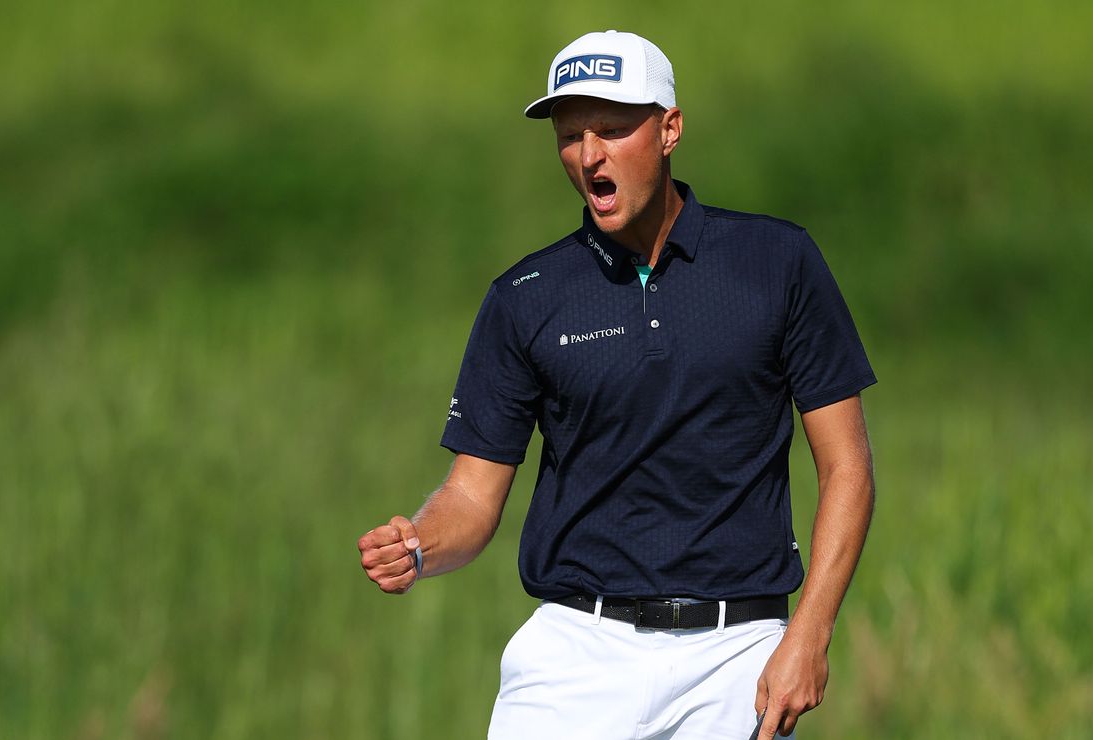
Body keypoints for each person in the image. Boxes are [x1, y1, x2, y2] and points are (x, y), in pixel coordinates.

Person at [357, 30, 876, 739]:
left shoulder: (776, 262)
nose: (589, 155)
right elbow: (473, 496)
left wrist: (809, 635)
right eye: (571, 137)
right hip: (574, 655)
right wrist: (418, 542)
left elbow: (847, 467)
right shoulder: (526, 296)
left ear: (669, 130)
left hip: (737, 655)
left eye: (611, 129)